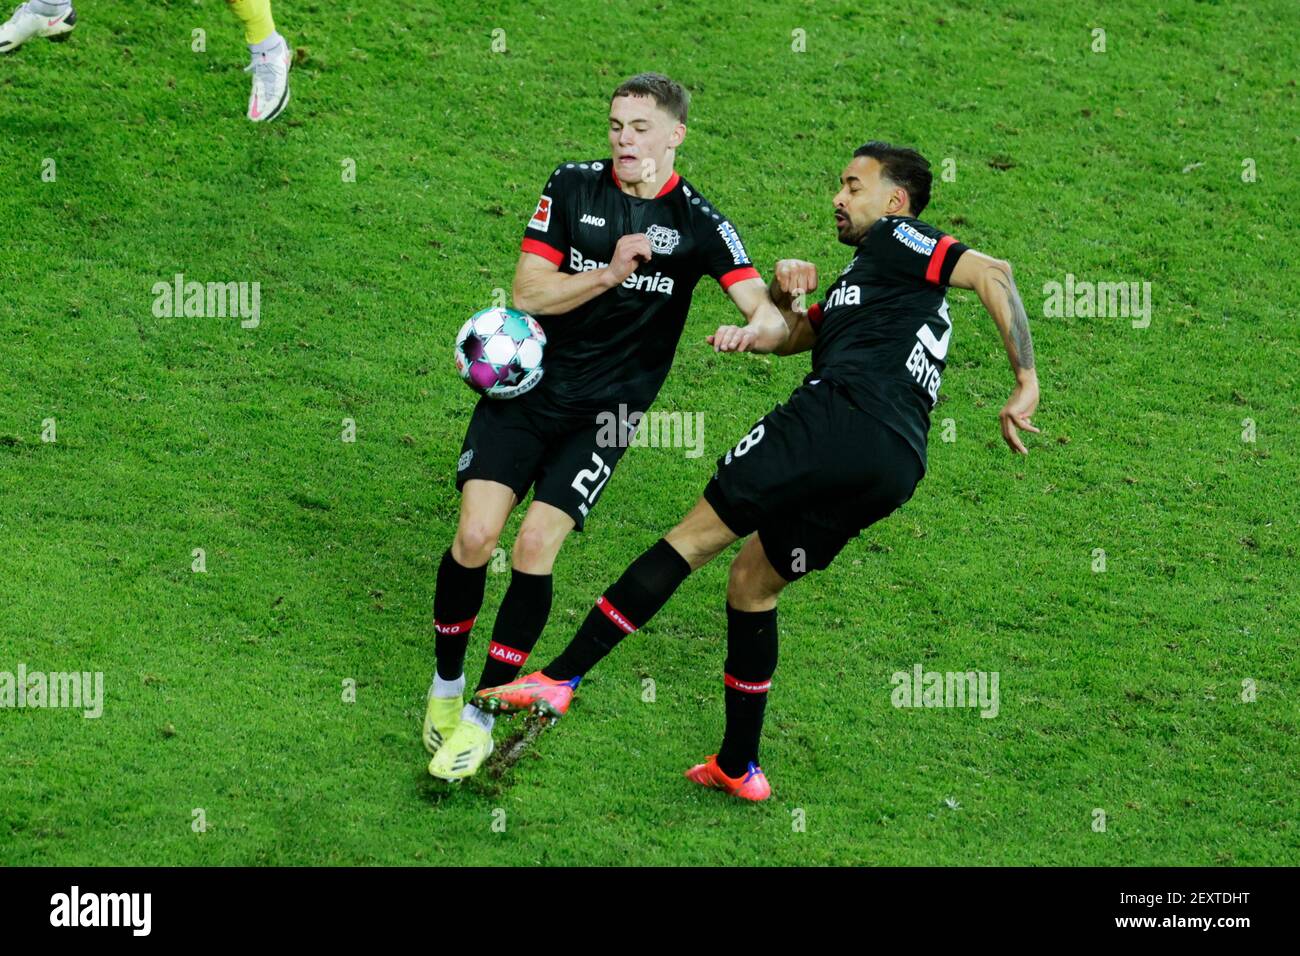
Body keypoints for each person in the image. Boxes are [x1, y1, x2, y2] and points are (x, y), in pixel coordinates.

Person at [474, 141, 1042, 800]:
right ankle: (739, 765)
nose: (838, 196)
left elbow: (993, 272)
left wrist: (1025, 379)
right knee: (751, 582)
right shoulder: (875, 284)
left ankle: (561, 678)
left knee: (692, 539)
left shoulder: (899, 238)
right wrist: (776, 299)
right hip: (892, 465)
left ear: (895, 199)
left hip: (833, 419)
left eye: (853, 185)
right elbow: (791, 337)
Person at [424, 72, 790, 781]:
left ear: (676, 134)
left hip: (607, 416)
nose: (625, 140)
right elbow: (529, 291)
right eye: (617, 125)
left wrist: (771, 312)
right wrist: (609, 272)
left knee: (534, 543)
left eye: (641, 128)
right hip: (525, 391)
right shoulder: (571, 186)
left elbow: (766, 316)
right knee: (475, 535)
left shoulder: (699, 224)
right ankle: (442, 690)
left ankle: (479, 714)